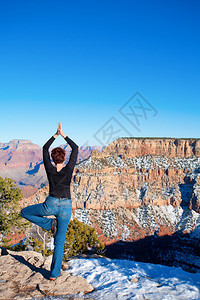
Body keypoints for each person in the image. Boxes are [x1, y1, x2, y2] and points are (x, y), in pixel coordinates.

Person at [20, 122, 79, 280]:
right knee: (59, 243)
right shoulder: (69, 168)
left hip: (50, 205)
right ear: (64, 158)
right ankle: (53, 274)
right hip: (66, 206)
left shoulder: (49, 168)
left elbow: (45, 149)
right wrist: (63, 134)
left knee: (24, 212)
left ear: (53, 159)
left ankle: (48, 224)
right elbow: (76, 148)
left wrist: (55, 135)